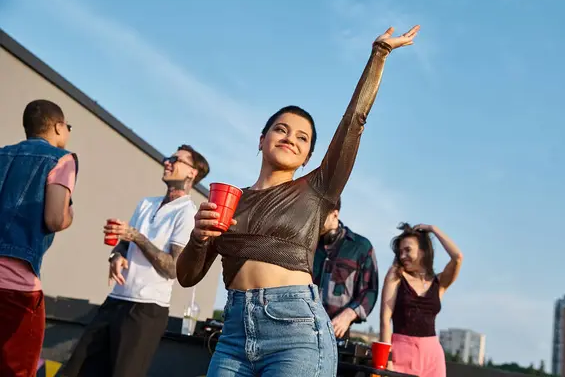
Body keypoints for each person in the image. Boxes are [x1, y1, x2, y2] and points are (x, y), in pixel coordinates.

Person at [176, 24, 420, 377]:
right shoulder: (231, 201)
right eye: (281, 129)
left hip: (296, 332)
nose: (290, 138)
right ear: (261, 139)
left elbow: (355, 122)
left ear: (307, 157)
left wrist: (378, 55)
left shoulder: (317, 188)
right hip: (233, 334)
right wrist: (198, 240)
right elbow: (187, 277)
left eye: (303, 138)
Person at [60, 145, 209, 377]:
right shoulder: (146, 203)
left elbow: (173, 268)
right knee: (74, 371)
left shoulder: (187, 213)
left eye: (175, 160)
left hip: (146, 311)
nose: (167, 162)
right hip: (115, 301)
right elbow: (124, 243)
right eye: (168, 158)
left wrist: (136, 236)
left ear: (192, 173)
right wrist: (116, 255)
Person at [0, 99, 78, 377]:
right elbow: (55, 219)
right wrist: (70, 214)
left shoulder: (2, 154)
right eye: (68, 126)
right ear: (58, 127)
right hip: (16, 287)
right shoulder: (62, 159)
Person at [380, 222, 463, 377]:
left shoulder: (439, 283)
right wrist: (387, 361)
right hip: (401, 354)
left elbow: (457, 257)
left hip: (433, 358)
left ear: (423, 251)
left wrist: (433, 229)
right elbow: (385, 319)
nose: (402, 255)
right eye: (400, 252)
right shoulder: (396, 275)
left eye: (408, 250)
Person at [313, 197, 379, 339]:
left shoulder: (361, 247)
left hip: (337, 337)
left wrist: (349, 314)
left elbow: (370, 291)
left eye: (319, 215)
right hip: (299, 332)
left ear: (335, 214)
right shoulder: (306, 245)